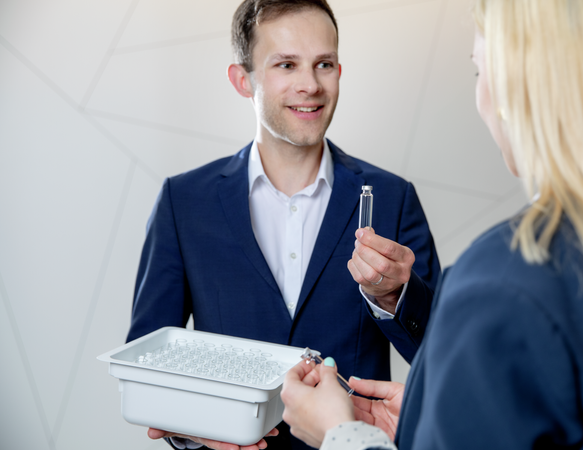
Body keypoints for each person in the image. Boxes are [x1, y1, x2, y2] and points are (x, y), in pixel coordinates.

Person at [280, 0, 583, 448]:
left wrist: (343, 436)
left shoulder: (499, 281)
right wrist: (426, 420)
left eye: (478, 70)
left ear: (512, 88)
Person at [126, 1, 441, 449]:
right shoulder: (184, 202)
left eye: (324, 64)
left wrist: (395, 296)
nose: (310, 85)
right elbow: (148, 362)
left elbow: (444, 358)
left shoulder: (393, 198)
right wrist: (197, 428)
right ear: (243, 79)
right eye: (286, 64)